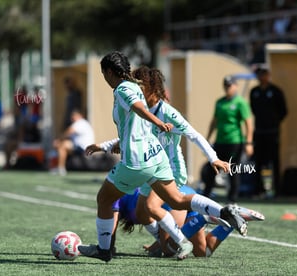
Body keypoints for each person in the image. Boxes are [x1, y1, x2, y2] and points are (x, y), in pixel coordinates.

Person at [77, 51, 247, 263]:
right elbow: (132, 126)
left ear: (110, 72)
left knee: (105, 198)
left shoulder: (123, 89)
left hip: (139, 161)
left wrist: (158, 123)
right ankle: (222, 212)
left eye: (104, 74)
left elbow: (138, 110)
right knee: (170, 201)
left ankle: (104, 251)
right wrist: (107, 145)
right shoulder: (137, 88)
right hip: (156, 157)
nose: (104, 78)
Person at [204, 75, 254, 203]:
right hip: (220, 141)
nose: (228, 88)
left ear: (235, 86)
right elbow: (214, 121)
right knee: (212, 168)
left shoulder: (240, 102)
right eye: (226, 85)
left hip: (234, 142)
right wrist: (207, 139)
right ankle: (206, 196)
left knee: (233, 170)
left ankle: (232, 199)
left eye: (230, 85)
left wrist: (248, 142)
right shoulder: (220, 102)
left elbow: (248, 123)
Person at [249, 66, 287, 198]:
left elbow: (283, 111)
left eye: (264, 74)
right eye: (260, 74)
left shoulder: (276, 91)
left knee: (274, 161)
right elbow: (253, 109)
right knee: (258, 161)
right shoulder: (254, 92)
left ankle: (277, 190)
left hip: (272, 132)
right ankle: (258, 190)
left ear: (268, 75)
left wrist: (273, 122)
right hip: (259, 132)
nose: (262, 77)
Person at [51, 109, 94, 176]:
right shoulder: (82, 123)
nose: (72, 118)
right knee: (62, 145)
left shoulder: (80, 122)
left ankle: (61, 168)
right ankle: (59, 166)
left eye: (74, 116)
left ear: (80, 116)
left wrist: (59, 140)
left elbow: (69, 131)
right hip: (81, 147)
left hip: (83, 148)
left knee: (63, 146)